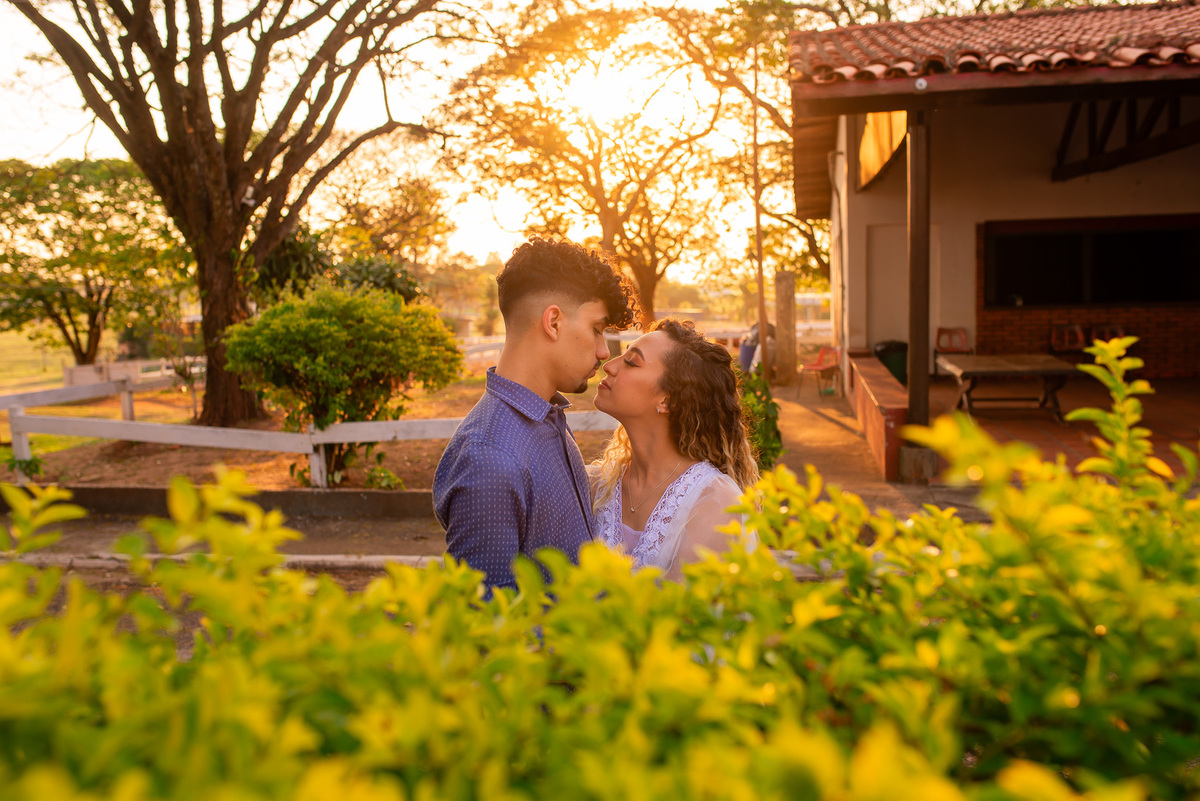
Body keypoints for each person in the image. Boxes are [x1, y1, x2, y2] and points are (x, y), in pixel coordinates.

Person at [433, 236, 638, 592]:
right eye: (596, 328)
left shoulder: (546, 419)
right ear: (553, 322)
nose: (604, 351)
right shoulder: (489, 457)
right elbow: (486, 627)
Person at [590, 318, 759, 580]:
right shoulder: (596, 485)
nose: (609, 366)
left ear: (667, 400)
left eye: (632, 362)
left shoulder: (715, 502)